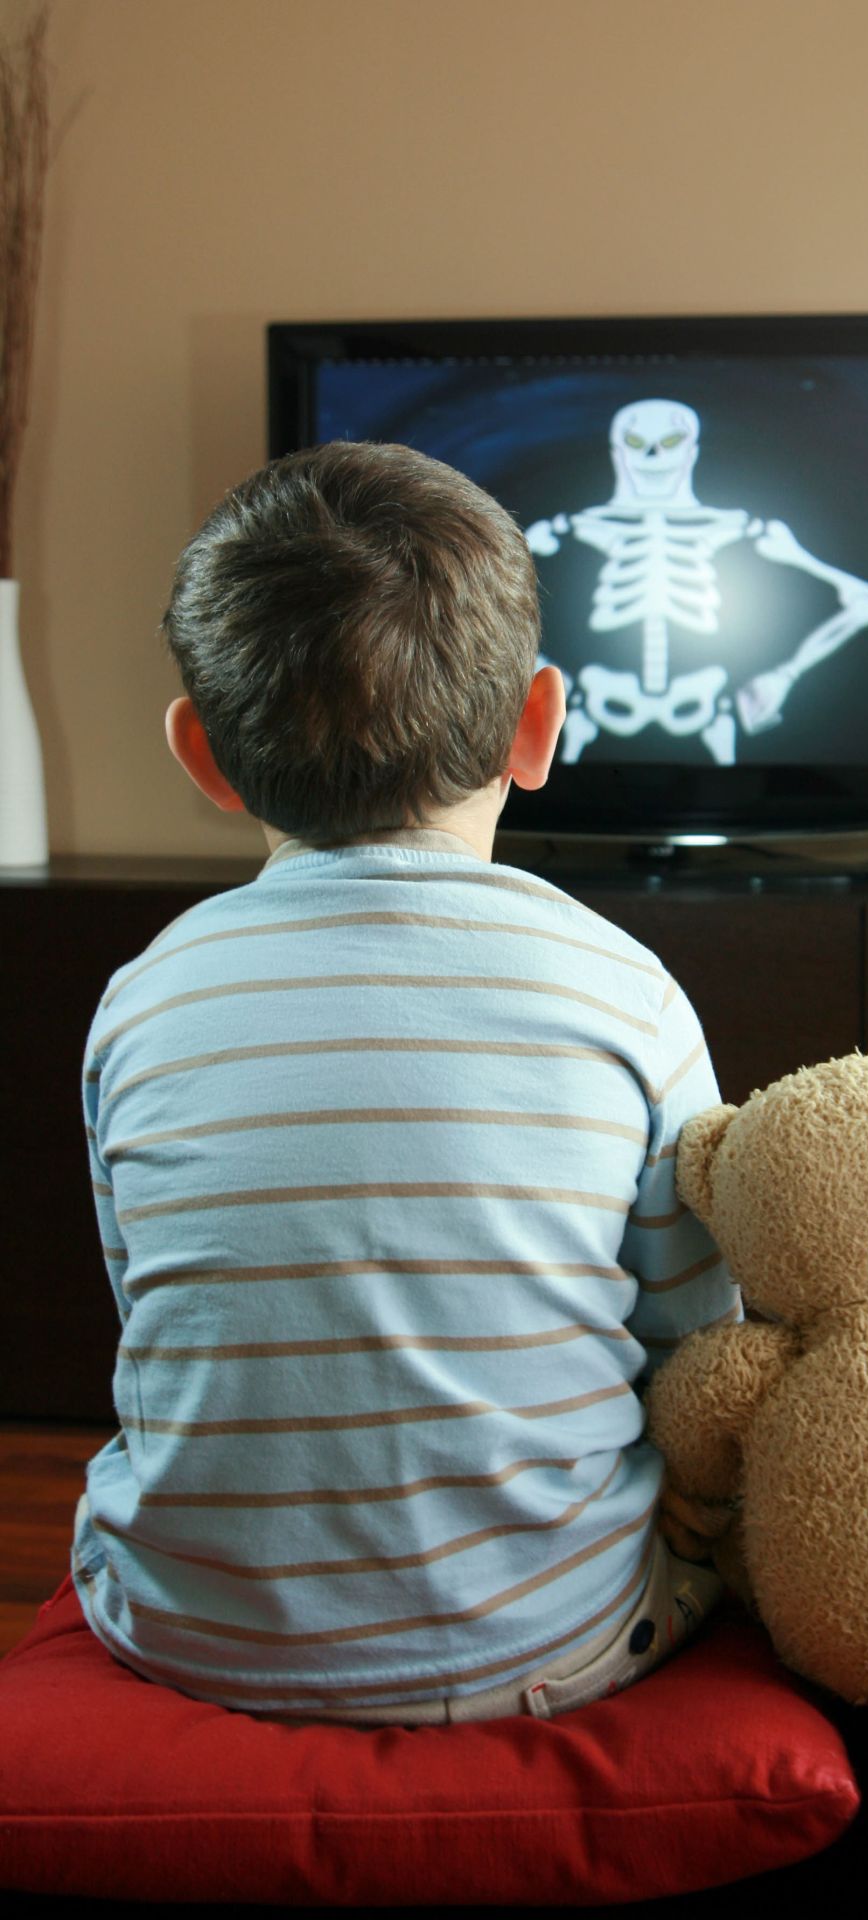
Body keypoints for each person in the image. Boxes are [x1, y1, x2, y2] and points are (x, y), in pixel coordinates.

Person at [73, 440, 738, 1724]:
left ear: (199, 755)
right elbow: (693, 1343)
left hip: (184, 1636)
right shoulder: (622, 989)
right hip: (551, 1648)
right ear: (538, 724)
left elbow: (160, 1319)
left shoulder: (142, 999)